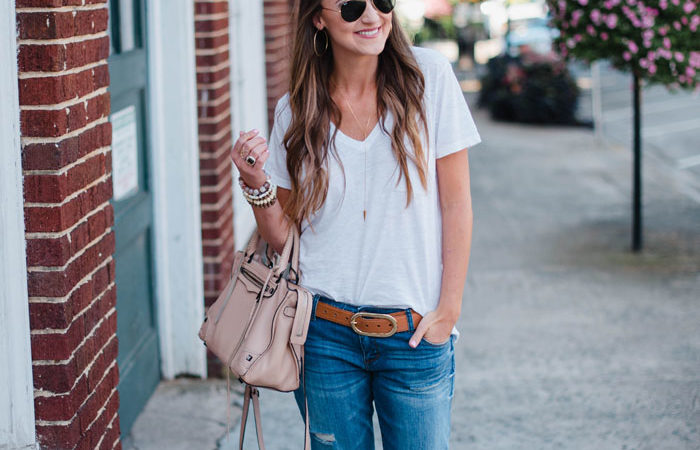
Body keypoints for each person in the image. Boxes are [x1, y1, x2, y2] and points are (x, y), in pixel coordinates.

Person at [230, 0, 481, 448]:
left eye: (381, 2)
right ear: (318, 17)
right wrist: (256, 186)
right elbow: (286, 237)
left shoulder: (430, 79)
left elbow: (457, 204)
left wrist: (449, 309)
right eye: (350, 6)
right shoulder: (296, 110)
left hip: (414, 335)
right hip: (325, 336)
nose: (370, 16)